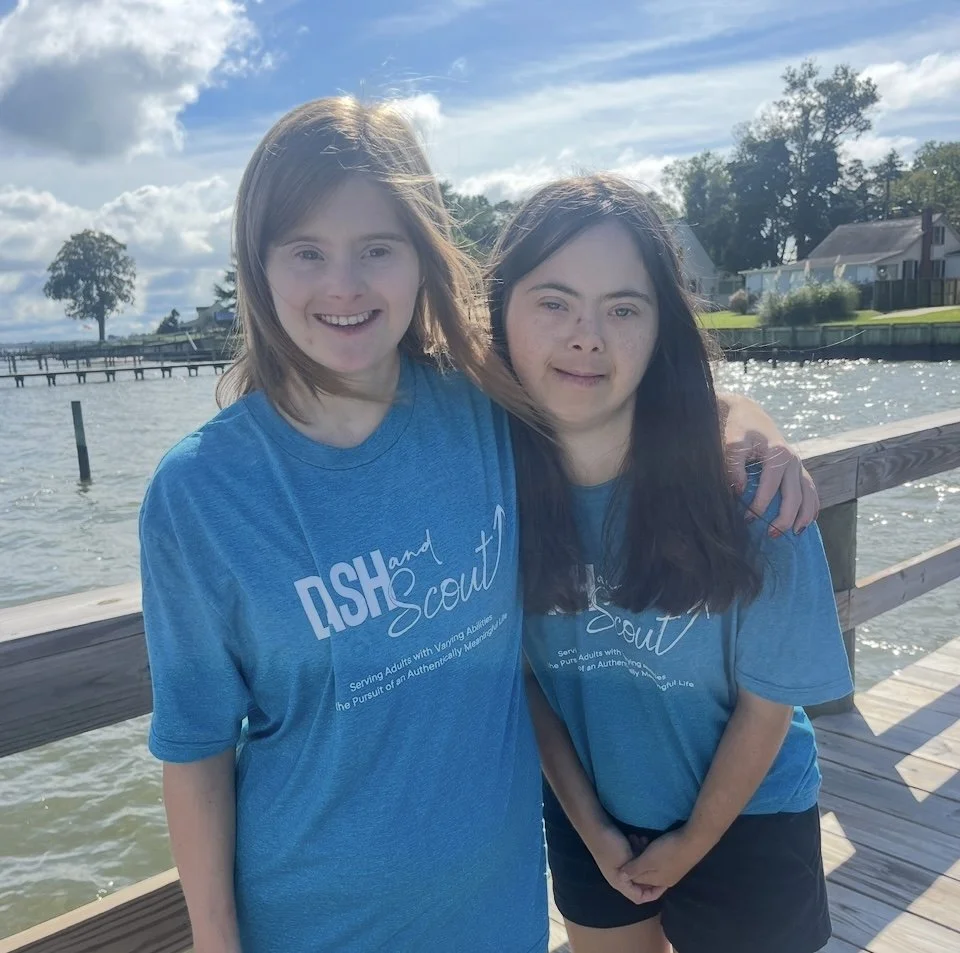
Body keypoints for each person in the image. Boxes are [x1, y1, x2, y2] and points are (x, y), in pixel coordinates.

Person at [139, 98, 819, 953]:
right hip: (310, 920)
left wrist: (749, 425)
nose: (343, 285)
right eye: (306, 251)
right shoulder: (198, 494)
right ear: (257, 264)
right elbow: (195, 747)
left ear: (422, 260)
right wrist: (214, 940)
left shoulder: (486, 415)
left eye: (377, 250)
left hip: (496, 913)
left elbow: (619, 390)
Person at [494, 174, 853, 953]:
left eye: (624, 307)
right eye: (553, 301)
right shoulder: (486, 490)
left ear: (663, 329)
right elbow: (522, 678)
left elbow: (767, 706)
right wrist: (591, 827)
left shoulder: (751, 489)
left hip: (750, 810)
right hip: (595, 809)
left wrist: (690, 843)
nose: (587, 335)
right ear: (502, 312)